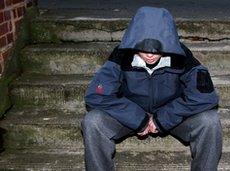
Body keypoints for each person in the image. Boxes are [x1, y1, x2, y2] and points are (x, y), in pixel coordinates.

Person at [81, 6, 222, 171]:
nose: (150, 54)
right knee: (93, 121)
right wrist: (138, 119)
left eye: (157, 49)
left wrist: (162, 119)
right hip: (128, 114)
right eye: (143, 48)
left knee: (210, 121)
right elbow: (96, 95)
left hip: (171, 115)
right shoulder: (122, 55)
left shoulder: (181, 56)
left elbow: (205, 97)